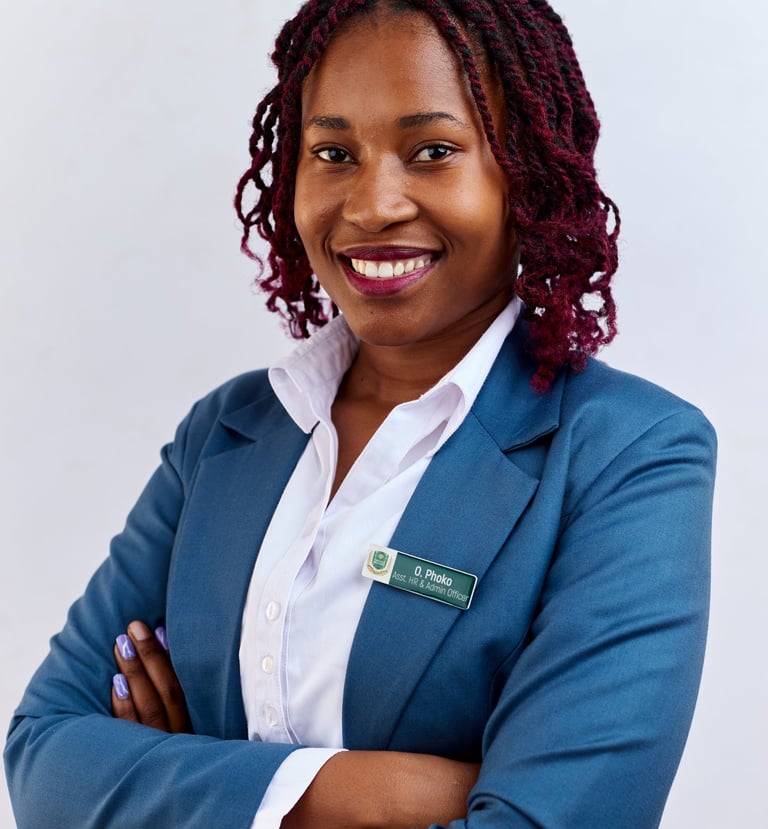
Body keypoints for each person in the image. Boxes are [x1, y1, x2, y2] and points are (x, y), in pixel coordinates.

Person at [4, 1, 716, 827]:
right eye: (334, 152)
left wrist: (172, 782)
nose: (374, 205)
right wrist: (384, 793)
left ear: (525, 173)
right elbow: (42, 759)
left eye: (434, 152)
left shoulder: (628, 456)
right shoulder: (226, 433)